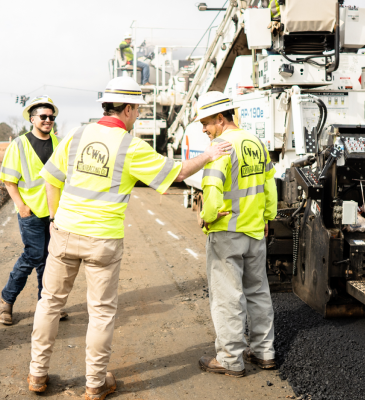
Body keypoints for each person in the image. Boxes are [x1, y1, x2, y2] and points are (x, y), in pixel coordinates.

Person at [26, 77, 233, 399]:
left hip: (64, 232)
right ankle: (95, 383)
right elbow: (175, 174)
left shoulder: (77, 135)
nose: (137, 115)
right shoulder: (130, 146)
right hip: (103, 240)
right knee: (101, 312)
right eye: (137, 110)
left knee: (49, 303)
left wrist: (54, 218)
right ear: (129, 108)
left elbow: (51, 178)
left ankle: (37, 375)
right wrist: (208, 155)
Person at [195, 91, 278, 377]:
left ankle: (230, 359)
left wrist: (207, 218)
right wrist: (268, 217)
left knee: (227, 296)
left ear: (220, 118)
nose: (203, 129)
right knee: (258, 292)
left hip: (227, 232)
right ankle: (265, 351)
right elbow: (270, 185)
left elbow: (212, 189)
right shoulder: (255, 142)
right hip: (255, 231)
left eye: (206, 122)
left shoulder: (220, 146)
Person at [0, 96, 68, 325]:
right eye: (44, 117)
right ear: (32, 119)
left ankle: (45, 305)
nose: (48, 120)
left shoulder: (59, 143)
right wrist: (21, 206)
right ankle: (5, 301)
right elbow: (9, 180)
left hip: (55, 212)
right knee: (34, 255)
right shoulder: (19, 144)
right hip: (32, 212)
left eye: (51, 117)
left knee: (50, 259)